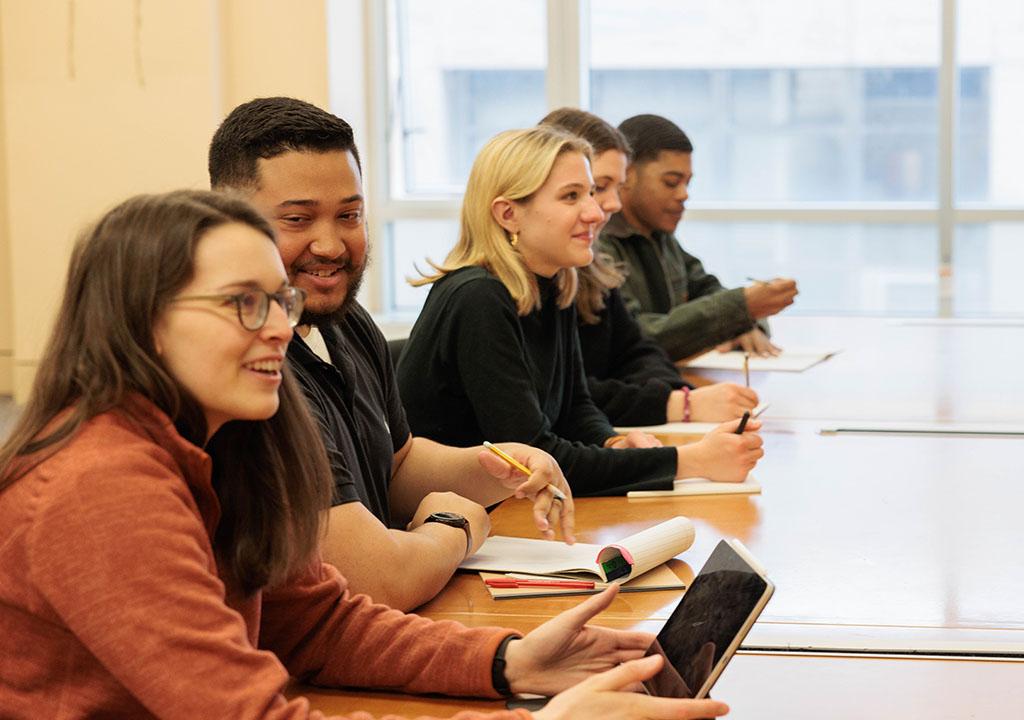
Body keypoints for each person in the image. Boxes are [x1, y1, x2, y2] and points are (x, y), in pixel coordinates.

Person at [0, 190, 730, 720]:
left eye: (278, 302)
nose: (278, 329)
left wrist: (508, 661)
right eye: (241, 304)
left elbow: (317, 625)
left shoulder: (230, 446)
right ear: (141, 324)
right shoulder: (100, 486)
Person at [209, 97, 575, 612]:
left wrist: (495, 466)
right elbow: (378, 580)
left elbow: (396, 464)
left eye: (349, 215)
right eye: (298, 219)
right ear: (230, 222)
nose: (332, 245)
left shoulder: (346, 322)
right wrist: (455, 525)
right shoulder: (256, 366)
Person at [397, 126, 763, 496]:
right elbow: (537, 459)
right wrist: (691, 461)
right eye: (572, 196)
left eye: (590, 192)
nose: (595, 212)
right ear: (509, 214)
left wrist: (611, 443)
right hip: (458, 518)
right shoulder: (478, 298)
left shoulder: (555, 280)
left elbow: (574, 408)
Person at [540, 107, 759, 427]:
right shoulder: (505, 290)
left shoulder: (587, 267)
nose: (613, 204)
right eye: (595, 189)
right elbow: (563, 399)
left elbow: (636, 350)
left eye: (613, 187)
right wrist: (679, 405)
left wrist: (682, 396)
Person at [598, 113, 799, 362]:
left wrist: (748, 325)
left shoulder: (660, 236)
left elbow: (709, 290)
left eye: (688, 183)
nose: (684, 195)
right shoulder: (598, 244)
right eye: (671, 182)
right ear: (626, 176)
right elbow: (636, 336)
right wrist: (741, 308)